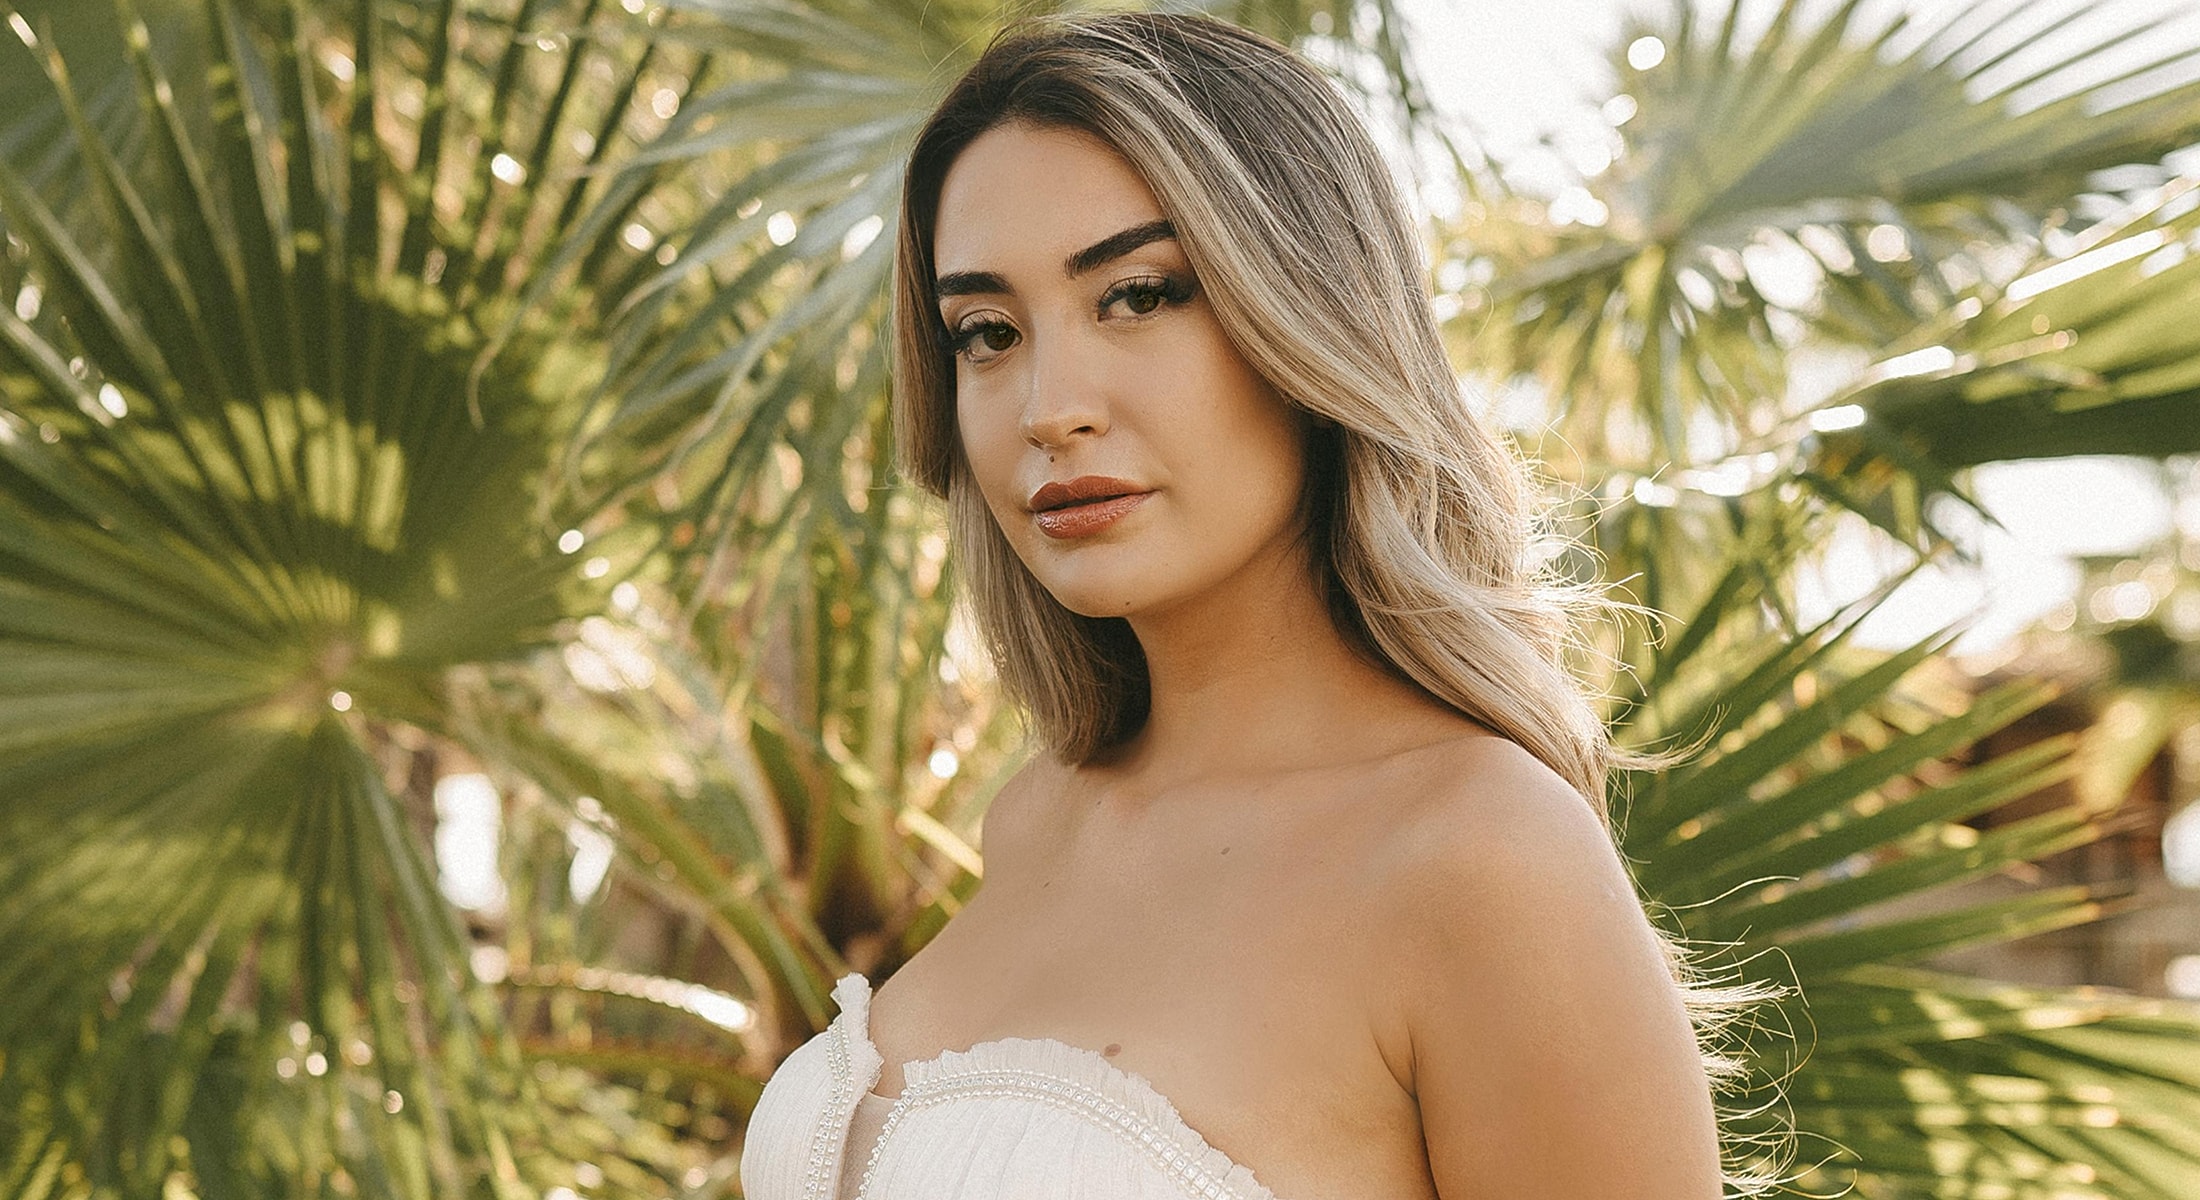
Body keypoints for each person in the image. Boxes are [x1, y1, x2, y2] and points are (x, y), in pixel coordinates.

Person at [740, 11, 1786, 1200]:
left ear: (1311, 316)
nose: (1048, 404)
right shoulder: (1034, 819)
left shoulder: (1478, 856)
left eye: (1137, 296)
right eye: (986, 332)